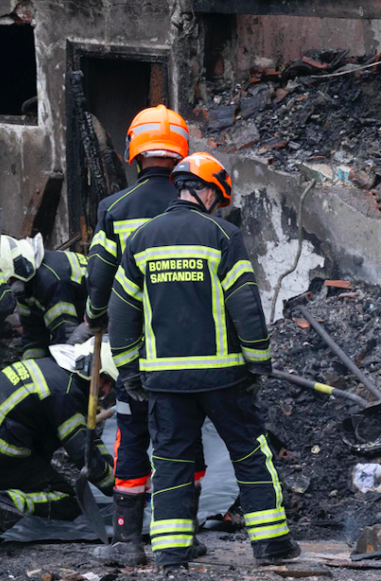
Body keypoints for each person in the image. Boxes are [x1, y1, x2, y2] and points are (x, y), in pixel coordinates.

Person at [108, 152, 299, 571]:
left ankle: (172, 556)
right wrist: (258, 364)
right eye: (220, 197)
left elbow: (120, 315)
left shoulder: (141, 240)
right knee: (249, 454)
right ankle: (271, 546)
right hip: (223, 378)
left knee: (172, 462)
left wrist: (128, 371)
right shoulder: (223, 236)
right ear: (210, 190)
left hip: (164, 382)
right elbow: (246, 307)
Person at [86, 105, 207, 567]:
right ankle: (184, 536)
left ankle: (127, 541)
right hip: (191, 353)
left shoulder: (113, 210)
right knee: (184, 437)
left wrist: (96, 317)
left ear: (133, 153)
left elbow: (100, 280)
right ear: (182, 155)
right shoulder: (200, 209)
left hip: (133, 351)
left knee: (132, 435)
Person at [0, 337, 116, 532]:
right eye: (106, 381)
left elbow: (88, 438)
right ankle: (8, 504)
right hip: (7, 451)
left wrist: (111, 465)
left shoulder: (52, 369)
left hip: (10, 441)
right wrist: (121, 489)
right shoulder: (66, 393)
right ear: (92, 369)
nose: (105, 390)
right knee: (66, 500)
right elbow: (84, 455)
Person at [0, 234, 87, 360]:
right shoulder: (26, 284)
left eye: (8, 282)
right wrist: (29, 367)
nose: (8, 287)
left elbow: (65, 335)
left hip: (101, 323)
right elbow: (33, 337)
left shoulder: (50, 280)